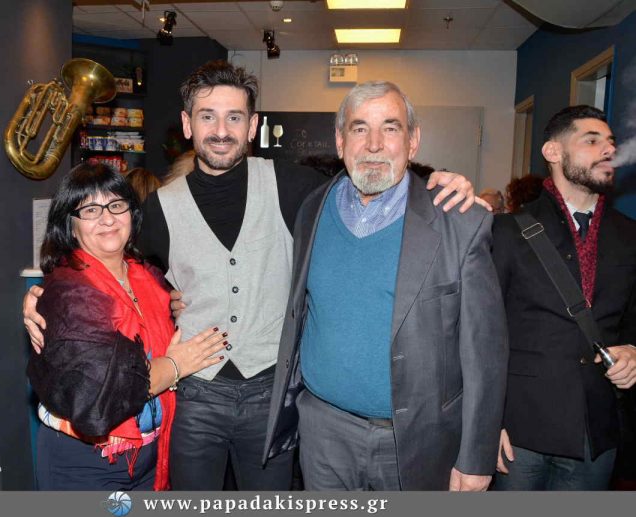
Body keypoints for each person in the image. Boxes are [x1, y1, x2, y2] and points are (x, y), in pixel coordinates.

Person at [24, 60, 480, 491]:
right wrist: (51, 294)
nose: (221, 131)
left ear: (252, 125)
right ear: (187, 125)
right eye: (207, 117)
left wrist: (438, 183)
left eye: (235, 118)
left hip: (271, 393)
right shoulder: (158, 208)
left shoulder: (296, 185)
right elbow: (116, 267)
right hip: (196, 394)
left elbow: (371, 179)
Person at [263, 80, 508, 491]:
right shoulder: (313, 209)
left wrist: (476, 456)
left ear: (413, 141)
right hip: (323, 434)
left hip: (418, 441)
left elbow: (486, 352)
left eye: (390, 128)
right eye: (359, 128)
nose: (374, 144)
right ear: (340, 141)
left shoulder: (460, 221)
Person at [27, 163, 227, 490]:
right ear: (70, 225)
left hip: (149, 457)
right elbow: (98, 398)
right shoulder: (69, 292)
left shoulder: (149, 277)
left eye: (116, 205)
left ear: (131, 213)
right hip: (86, 463)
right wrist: (175, 366)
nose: (107, 218)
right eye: (90, 209)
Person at [491, 105, 636, 490]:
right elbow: (483, 333)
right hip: (519, 429)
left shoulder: (629, 237)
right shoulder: (507, 232)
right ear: (553, 152)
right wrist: (486, 422)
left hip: (596, 429)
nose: (609, 150)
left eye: (611, 142)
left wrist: (633, 351)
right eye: (591, 140)